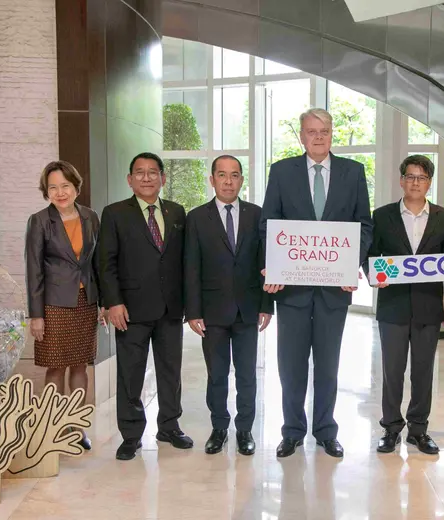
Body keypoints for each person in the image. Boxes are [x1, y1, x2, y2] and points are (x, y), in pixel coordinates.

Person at [260, 108, 373, 458]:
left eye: (324, 130)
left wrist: (348, 264)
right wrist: (274, 267)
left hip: (333, 292)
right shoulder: (281, 172)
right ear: (301, 136)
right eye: (311, 131)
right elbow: (268, 224)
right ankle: (292, 430)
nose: (318, 137)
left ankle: (326, 430)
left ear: (332, 133)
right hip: (292, 292)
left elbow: (364, 225)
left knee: (328, 365)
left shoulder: (353, 173)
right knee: (291, 365)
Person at [96, 152, 192, 461]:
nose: (147, 177)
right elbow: (105, 263)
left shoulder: (177, 212)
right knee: (130, 374)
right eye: (140, 172)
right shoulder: (114, 213)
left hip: (170, 309)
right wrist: (112, 302)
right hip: (130, 310)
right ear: (130, 179)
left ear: (163, 178)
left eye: (153, 172)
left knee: (170, 372)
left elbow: (185, 262)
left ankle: (169, 426)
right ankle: (131, 434)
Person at [185, 155, 274, 456]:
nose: (228, 181)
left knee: (247, 373)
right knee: (217, 373)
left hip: (248, 310)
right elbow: (191, 268)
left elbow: (266, 264)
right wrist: (193, 311)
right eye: (221, 175)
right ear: (212, 179)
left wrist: (266, 305)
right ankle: (219, 427)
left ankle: (245, 429)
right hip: (212, 311)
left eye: (234, 175)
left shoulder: (257, 215)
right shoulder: (196, 218)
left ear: (241, 180)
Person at [368, 155, 444, 455]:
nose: (416, 182)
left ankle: (418, 430)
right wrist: (374, 275)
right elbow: (371, 257)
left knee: (422, 371)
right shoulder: (381, 216)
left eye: (422, 177)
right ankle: (391, 428)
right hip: (392, 306)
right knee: (392, 371)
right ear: (401, 180)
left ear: (429, 183)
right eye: (411, 176)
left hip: (428, 308)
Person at [25, 160, 100, 451]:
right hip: (54, 305)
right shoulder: (40, 220)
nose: (60, 192)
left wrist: (103, 303)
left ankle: (76, 426)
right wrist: (36, 315)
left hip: (85, 302)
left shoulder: (91, 217)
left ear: (76, 187)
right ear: (46, 191)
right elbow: (33, 269)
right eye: (53, 187)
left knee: (80, 365)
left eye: (65, 186)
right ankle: (51, 425)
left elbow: (96, 263)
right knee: (55, 367)